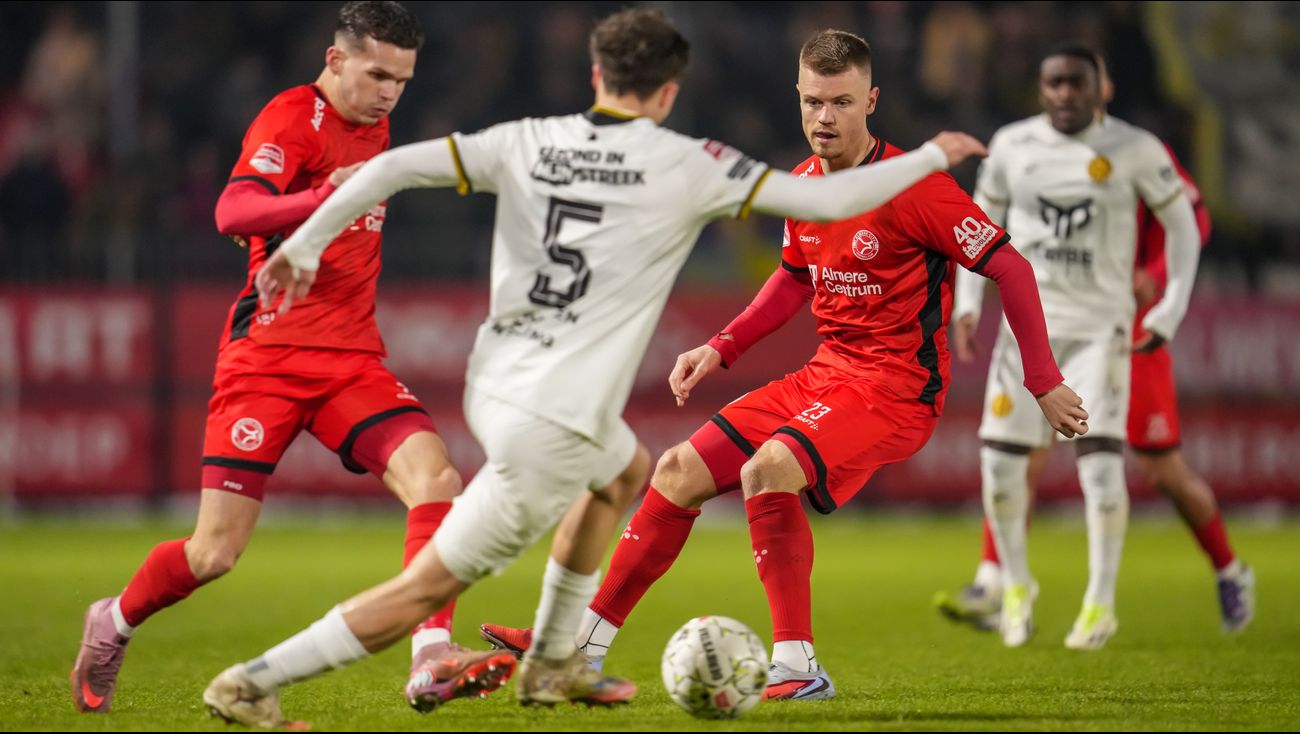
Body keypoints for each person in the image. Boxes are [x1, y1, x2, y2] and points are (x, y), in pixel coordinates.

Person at [198, 9, 992, 727]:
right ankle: (251, 679)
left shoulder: (524, 139)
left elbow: (384, 171)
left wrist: (300, 244)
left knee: (635, 471)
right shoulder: (688, 162)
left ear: (595, 78)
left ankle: (557, 658)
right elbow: (818, 205)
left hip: (504, 384)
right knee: (425, 588)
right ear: (670, 93)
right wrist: (928, 155)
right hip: (553, 418)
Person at [477, 29, 1086, 702]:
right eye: (814, 102)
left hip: (897, 388)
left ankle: (798, 666)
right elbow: (794, 279)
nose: (825, 118)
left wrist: (1043, 381)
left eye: (842, 103)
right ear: (799, 97)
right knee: (677, 469)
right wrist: (721, 347)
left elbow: (1009, 264)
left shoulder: (916, 188)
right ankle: (575, 652)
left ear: (871, 101)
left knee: (767, 469)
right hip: (828, 372)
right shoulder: (802, 185)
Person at [70, 1, 514, 717]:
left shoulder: (380, 126)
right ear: (335, 60)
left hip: (350, 361)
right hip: (267, 361)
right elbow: (232, 212)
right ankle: (113, 620)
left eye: (401, 80)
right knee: (213, 554)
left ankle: (430, 656)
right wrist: (318, 197)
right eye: (376, 75)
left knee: (437, 478)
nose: (389, 93)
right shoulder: (289, 119)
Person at [935, 58, 1254, 636]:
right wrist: (969, 302)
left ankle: (1228, 567)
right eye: (1056, 82)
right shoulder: (1024, 147)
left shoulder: (1137, 151)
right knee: (1018, 453)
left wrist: (1156, 276)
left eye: (1082, 81)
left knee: (1160, 469)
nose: (1068, 92)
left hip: (1126, 329)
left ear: (1103, 87)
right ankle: (997, 579)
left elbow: (1194, 221)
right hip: (1048, 322)